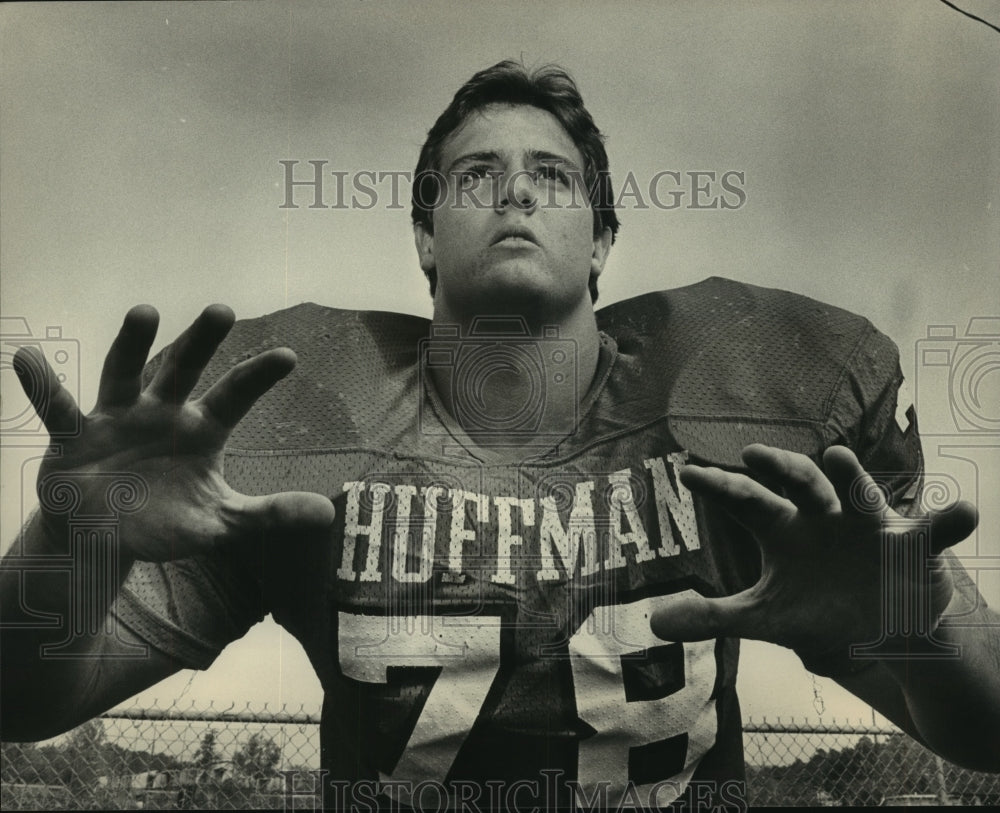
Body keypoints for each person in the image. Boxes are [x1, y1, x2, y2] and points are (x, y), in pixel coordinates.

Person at [2, 60, 998, 811]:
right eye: (473, 175)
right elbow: (20, 701)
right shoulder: (296, 415)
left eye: (552, 178)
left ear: (603, 239)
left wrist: (922, 622)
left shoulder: (747, 407)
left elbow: (985, 726)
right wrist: (69, 550)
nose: (514, 192)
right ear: (425, 237)